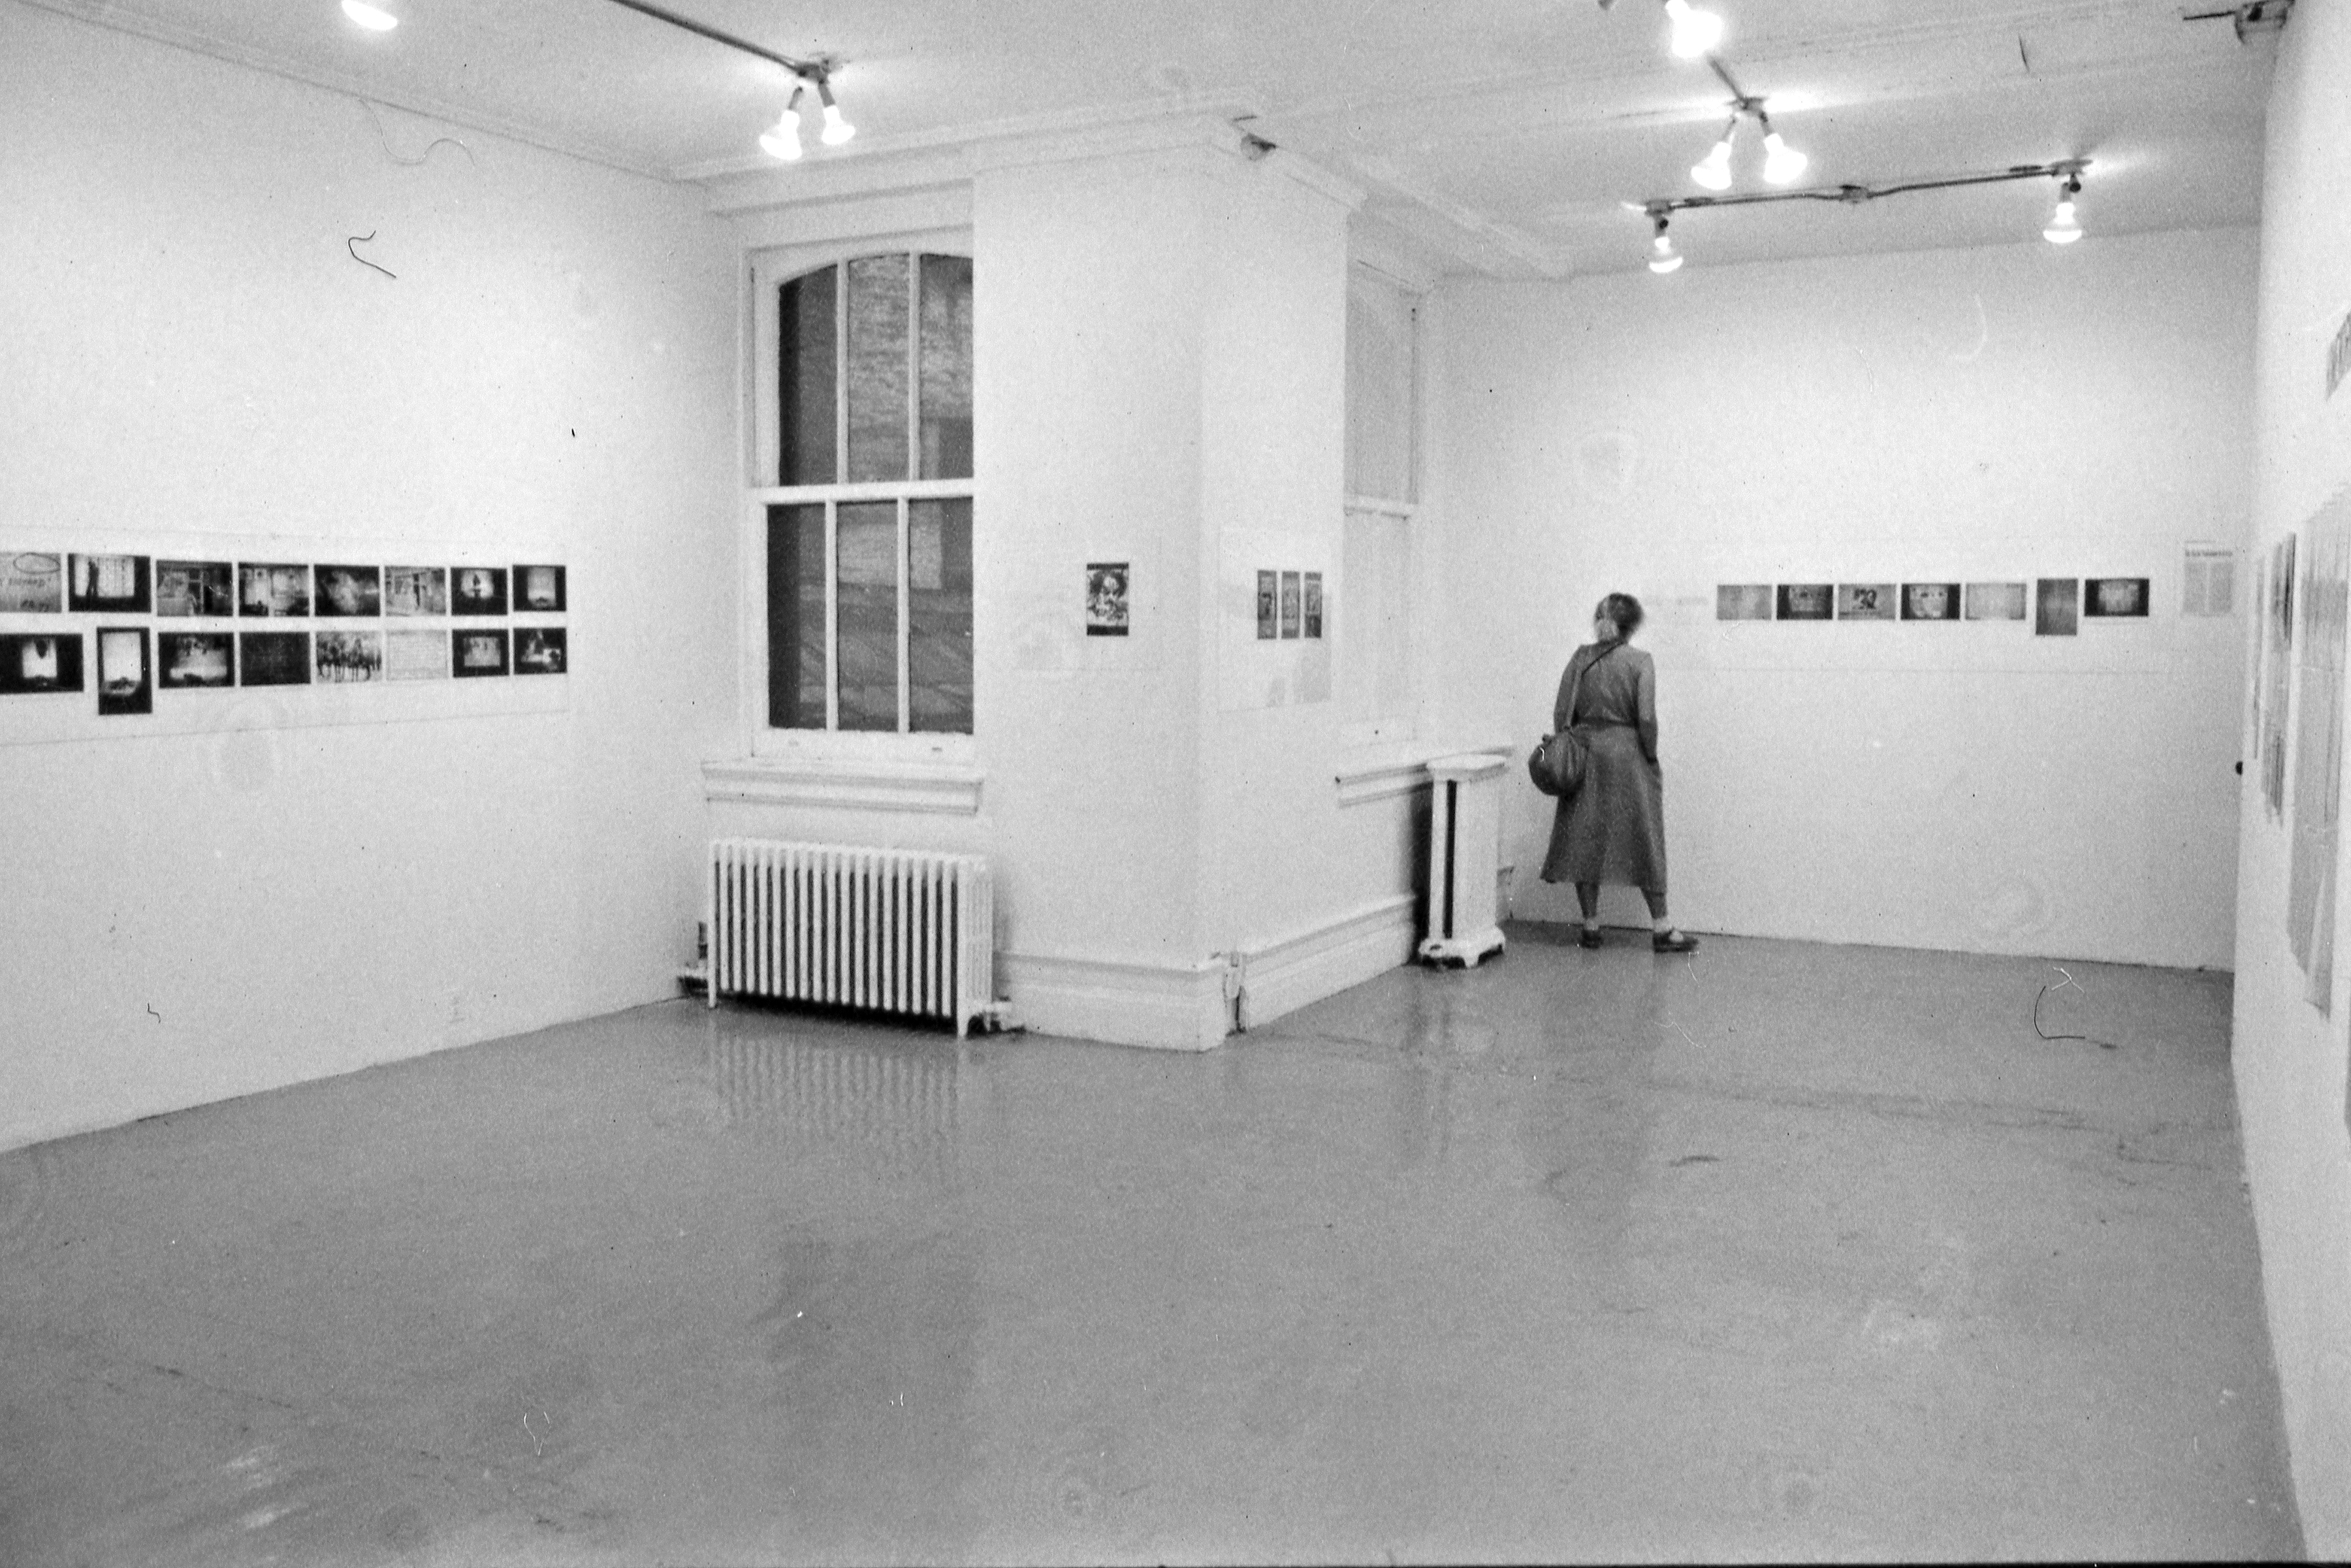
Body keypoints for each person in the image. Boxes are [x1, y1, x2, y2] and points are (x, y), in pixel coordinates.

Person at [1541, 592, 1699, 953]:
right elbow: (1646, 717)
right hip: (1628, 758)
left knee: (1584, 838)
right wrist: (1651, 755)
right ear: (1632, 626)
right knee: (1645, 837)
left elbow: (1561, 713)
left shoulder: (1580, 658)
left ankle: (1591, 926)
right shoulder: (1641, 661)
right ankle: (1662, 927)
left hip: (1585, 756)